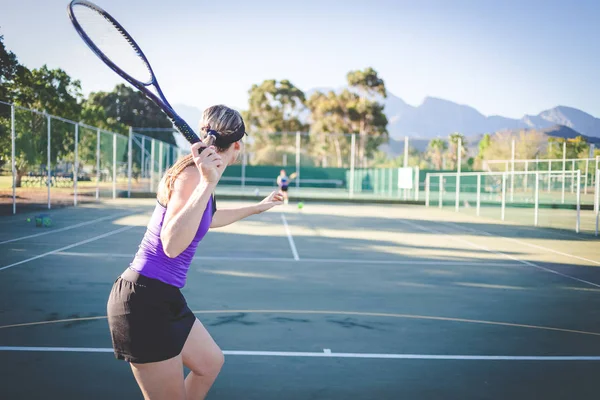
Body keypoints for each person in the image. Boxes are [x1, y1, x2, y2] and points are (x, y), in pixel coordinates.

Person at [107, 105, 284, 400]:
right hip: (143, 300)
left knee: (210, 363)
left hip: (163, 296)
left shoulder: (202, 174)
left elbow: (208, 219)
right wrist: (207, 182)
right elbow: (172, 243)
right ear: (237, 145)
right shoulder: (194, 175)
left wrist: (260, 206)